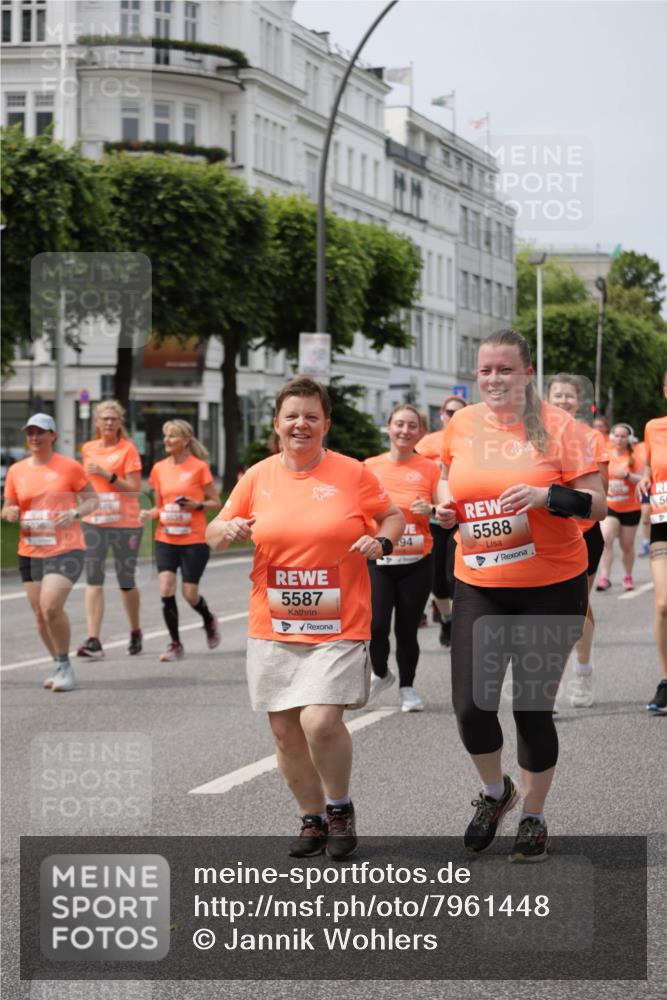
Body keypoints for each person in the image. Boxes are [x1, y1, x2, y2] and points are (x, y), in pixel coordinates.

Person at [206, 377, 404, 859]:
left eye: (311, 416)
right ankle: (311, 818)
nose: (301, 424)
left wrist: (382, 542)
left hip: (338, 623)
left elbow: (393, 516)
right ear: (277, 424)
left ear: (325, 424)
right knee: (284, 731)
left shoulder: (352, 473)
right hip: (273, 623)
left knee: (319, 721)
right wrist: (225, 527)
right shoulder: (257, 477)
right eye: (292, 416)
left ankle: (339, 807)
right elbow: (212, 533)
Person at [437, 330, 606, 862]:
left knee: (532, 707)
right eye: (485, 370)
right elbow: (447, 478)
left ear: (527, 373)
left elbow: (597, 505)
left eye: (505, 370)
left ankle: (532, 817)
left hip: (550, 586)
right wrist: (444, 508)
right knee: (470, 706)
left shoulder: (563, 430)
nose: (493, 379)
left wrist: (545, 496)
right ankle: (495, 794)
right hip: (479, 583)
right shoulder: (462, 423)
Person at [1, 414, 97, 692]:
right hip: (31, 548)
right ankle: (57, 661)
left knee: (51, 606)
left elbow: (93, 500)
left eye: (40, 432)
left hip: (67, 547)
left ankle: (66, 666)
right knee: (39, 613)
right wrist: (9, 512)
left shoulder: (70, 467)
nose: (34, 437)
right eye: (30, 432)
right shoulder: (17, 470)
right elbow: (7, 506)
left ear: (53, 435)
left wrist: (75, 512)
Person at [364, 405, 441, 712]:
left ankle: (407, 688)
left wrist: (432, 511)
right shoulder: (369, 466)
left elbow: (447, 509)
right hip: (378, 561)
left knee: (407, 630)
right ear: (388, 427)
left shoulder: (430, 469)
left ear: (420, 433)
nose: (405, 431)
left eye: (412, 426)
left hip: (416, 562)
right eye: (399, 424)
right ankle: (380, 673)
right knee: (376, 625)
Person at [546, 374, 609, 708]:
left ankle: (582, 672)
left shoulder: (592, 438)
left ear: (579, 401)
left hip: (583, 535)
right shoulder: (532, 435)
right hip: (542, 537)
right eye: (557, 395)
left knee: (574, 608)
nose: (563, 401)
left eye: (569, 396)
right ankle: (546, 685)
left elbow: (601, 497)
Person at [142, 420, 221, 661]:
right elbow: (159, 506)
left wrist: (196, 504)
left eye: (172, 436)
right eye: (165, 436)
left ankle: (208, 618)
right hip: (166, 538)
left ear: (186, 440)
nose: (166, 440)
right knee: (166, 586)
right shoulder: (158, 469)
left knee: (190, 594)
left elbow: (215, 502)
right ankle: (175, 643)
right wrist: (148, 514)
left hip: (194, 539)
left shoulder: (199, 468)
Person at [77, 400, 144, 658]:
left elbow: (135, 488)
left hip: (124, 523)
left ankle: (135, 630)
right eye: (104, 418)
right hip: (94, 521)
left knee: (125, 581)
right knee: (93, 578)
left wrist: (108, 475)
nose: (108, 423)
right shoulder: (88, 448)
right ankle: (94, 639)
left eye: (113, 419)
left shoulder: (128, 450)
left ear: (120, 423)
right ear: (96, 422)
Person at [416, 394, 468, 645]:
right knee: (437, 581)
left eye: (459, 412)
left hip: (462, 518)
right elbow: (413, 472)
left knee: (454, 575)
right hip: (434, 517)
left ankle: (459, 622)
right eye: (449, 412)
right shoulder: (428, 443)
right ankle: (447, 618)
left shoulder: (471, 442)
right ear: (441, 414)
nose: (453, 417)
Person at [637, 375, 667, 714]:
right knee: (663, 604)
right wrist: (646, 476)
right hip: (662, 521)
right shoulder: (653, 428)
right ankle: (665, 679)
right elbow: (650, 467)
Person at [596, 423, 645, 592]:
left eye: (623, 436)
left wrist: (626, 475)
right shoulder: (606, 455)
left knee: (627, 545)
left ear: (629, 438)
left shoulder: (635, 457)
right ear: (612, 437)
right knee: (606, 538)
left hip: (631, 507)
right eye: (617, 435)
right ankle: (604, 577)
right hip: (610, 505)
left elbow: (643, 480)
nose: (620, 439)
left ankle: (628, 576)